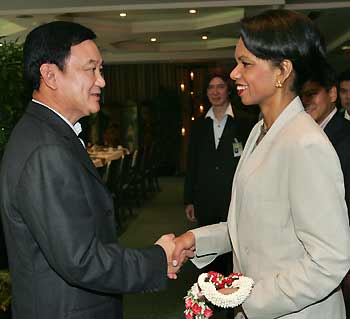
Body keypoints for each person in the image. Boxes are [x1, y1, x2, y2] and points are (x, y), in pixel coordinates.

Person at [173, 9, 350, 319]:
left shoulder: (305, 144)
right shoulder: (259, 131)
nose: (233, 74)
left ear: (282, 71)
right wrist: (195, 240)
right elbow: (252, 227)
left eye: (245, 64)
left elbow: (330, 261)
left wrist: (247, 298)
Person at [0, 21, 182, 319]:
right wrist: (157, 258)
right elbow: (81, 259)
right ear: (50, 75)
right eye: (91, 69)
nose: (102, 81)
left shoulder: (48, 134)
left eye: (101, 70)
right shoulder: (47, 150)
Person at [184, 71, 253, 275]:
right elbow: (192, 164)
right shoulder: (198, 125)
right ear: (206, 92)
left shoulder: (245, 122)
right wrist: (189, 199)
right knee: (208, 249)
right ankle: (213, 294)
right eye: (211, 88)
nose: (215, 92)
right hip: (205, 198)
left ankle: (233, 297)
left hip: (234, 198)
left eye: (220, 87)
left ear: (228, 90)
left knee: (234, 250)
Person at [300, 64, 350, 318]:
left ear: (332, 95)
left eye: (312, 94)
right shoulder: (305, 133)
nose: (306, 101)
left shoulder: (344, 135)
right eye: (302, 95)